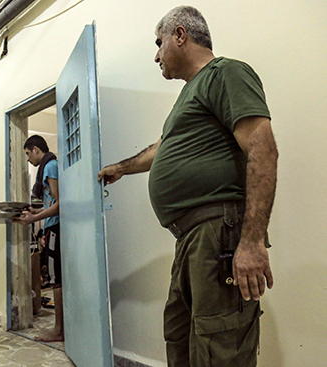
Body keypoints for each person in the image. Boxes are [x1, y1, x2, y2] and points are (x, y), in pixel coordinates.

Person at [98, 6, 278, 366]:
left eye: (159, 42)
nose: (156, 54)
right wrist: (121, 167)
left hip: (217, 232)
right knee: (182, 338)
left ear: (180, 35)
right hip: (191, 239)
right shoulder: (189, 94)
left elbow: (264, 149)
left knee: (220, 346)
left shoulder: (225, 73)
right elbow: (162, 149)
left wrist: (253, 241)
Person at [12, 135, 63, 342]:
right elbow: (50, 202)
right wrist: (32, 209)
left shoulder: (50, 166)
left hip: (56, 226)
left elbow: (60, 203)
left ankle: (59, 330)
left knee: (56, 280)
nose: (27, 159)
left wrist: (35, 217)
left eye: (27, 154)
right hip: (54, 226)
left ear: (35, 150)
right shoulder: (51, 165)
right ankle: (61, 328)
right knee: (57, 278)